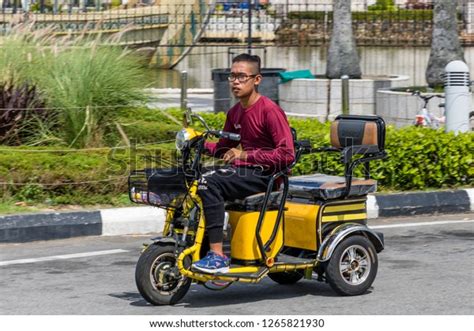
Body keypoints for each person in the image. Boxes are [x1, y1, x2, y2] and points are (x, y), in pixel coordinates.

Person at [191, 53, 295, 274]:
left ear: (257, 80)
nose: (235, 81)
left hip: (266, 178)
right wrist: (197, 141)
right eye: (232, 76)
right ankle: (198, 243)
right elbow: (223, 149)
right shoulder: (235, 112)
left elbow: (287, 155)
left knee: (208, 183)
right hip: (242, 173)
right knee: (193, 176)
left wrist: (246, 156)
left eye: (241, 76)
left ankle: (217, 256)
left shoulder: (269, 111)